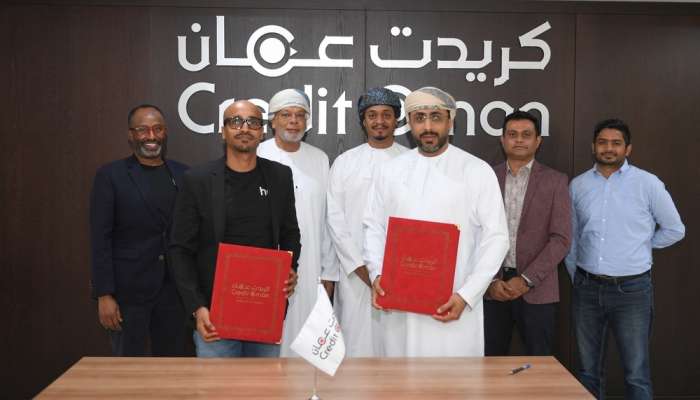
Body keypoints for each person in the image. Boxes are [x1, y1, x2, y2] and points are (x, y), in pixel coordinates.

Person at [363, 87, 509, 357]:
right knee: (400, 375)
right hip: (400, 307)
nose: (428, 127)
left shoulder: (476, 171)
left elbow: (497, 238)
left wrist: (467, 294)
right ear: (409, 123)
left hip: (454, 305)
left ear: (450, 121)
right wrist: (377, 275)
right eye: (419, 118)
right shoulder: (390, 171)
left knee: (450, 378)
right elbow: (374, 227)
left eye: (436, 117)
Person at [169, 100, 300, 357]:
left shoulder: (280, 176)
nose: (245, 128)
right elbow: (180, 249)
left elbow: (290, 234)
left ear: (262, 132)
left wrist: (290, 267)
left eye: (253, 122)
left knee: (264, 383)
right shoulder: (197, 180)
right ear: (223, 131)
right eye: (236, 122)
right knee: (218, 384)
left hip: (264, 311)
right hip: (213, 314)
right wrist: (197, 307)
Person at [565, 118, 685, 399]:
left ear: (627, 149)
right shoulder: (578, 185)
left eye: (616, 143)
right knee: (588, 372)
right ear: (593, 146)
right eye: (602, 142)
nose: (609, 148)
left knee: (636, 374)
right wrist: (577, 278)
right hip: (586, 289)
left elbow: (675, 229)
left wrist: (640, 246)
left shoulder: (648, 183)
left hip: (632, 291)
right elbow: (572, 238)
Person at [90, 104, 188, 356]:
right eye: (143, 130)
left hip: (174, 294)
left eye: (157, 129)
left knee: (172, 368)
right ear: (131, 135)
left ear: (165, 132)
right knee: (128, 369)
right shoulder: (111, 175)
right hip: (127, 295)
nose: (151, 136)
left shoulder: (184, 174)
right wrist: (104, 295)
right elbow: (100, 239)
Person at [326, 87, 408, 357]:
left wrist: (391, 272)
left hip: (398, 275)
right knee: (355, 346)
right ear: (363, 121)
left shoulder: (411, 162)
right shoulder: (345, 162)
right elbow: (335, 221)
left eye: (386, 114)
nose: (379, 121)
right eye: (372, 115)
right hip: (354, 274)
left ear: (396, 119)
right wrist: (362, 269)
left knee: (396, 346)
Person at [484, 110, 571, 356]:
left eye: (526, 134)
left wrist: (526, 280)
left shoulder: (555, 181)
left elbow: (561, 239)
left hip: (537, 288)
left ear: (538, 140)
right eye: (512, 134)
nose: (519, 140)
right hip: (492, 288)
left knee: (540, 364)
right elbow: (473, 234)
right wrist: (490, 281)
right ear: (502, 140)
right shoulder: (486, 177)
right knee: (489, 363)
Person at [257, 88, 336, 357]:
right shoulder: (257, 154)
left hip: (311, 267)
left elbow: (327, 218)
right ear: (273, 121)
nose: (293, 121)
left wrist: (329, 271)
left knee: (306, 342)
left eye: (300, 115)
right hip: (268, 264)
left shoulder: (320, 158)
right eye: (286, 115)